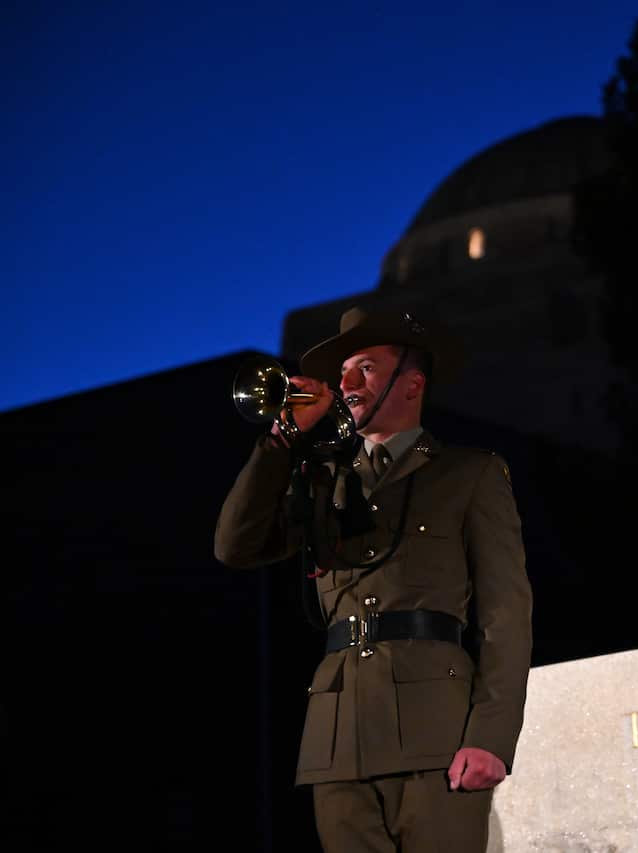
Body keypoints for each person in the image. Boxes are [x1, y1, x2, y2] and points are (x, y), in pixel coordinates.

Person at [215, 306, 532, 852]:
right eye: (343, 374)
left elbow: (506, 613)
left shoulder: (469, 473)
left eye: (363, 367)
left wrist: (491, 739)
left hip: (437, 736)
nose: (345, 383)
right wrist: (283, 437)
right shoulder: (324, 481)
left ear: (411, 383)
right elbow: (235, 546)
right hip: (337, 741)